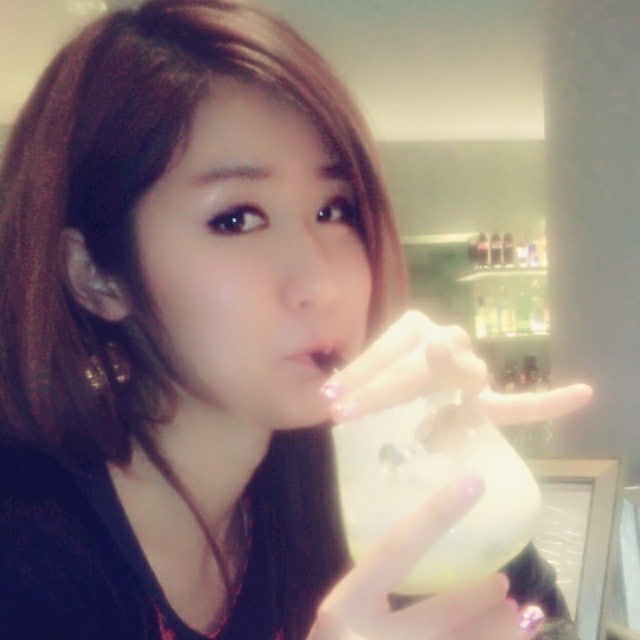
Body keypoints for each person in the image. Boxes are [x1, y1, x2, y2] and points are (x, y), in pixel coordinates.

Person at [0, 1, 592, 639]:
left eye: (334, 210)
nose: (320, 282)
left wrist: (451, 451)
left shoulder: (333, 481)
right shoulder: (27, 552)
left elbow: (540, 618)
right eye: (237, 219)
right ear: (95, 274)